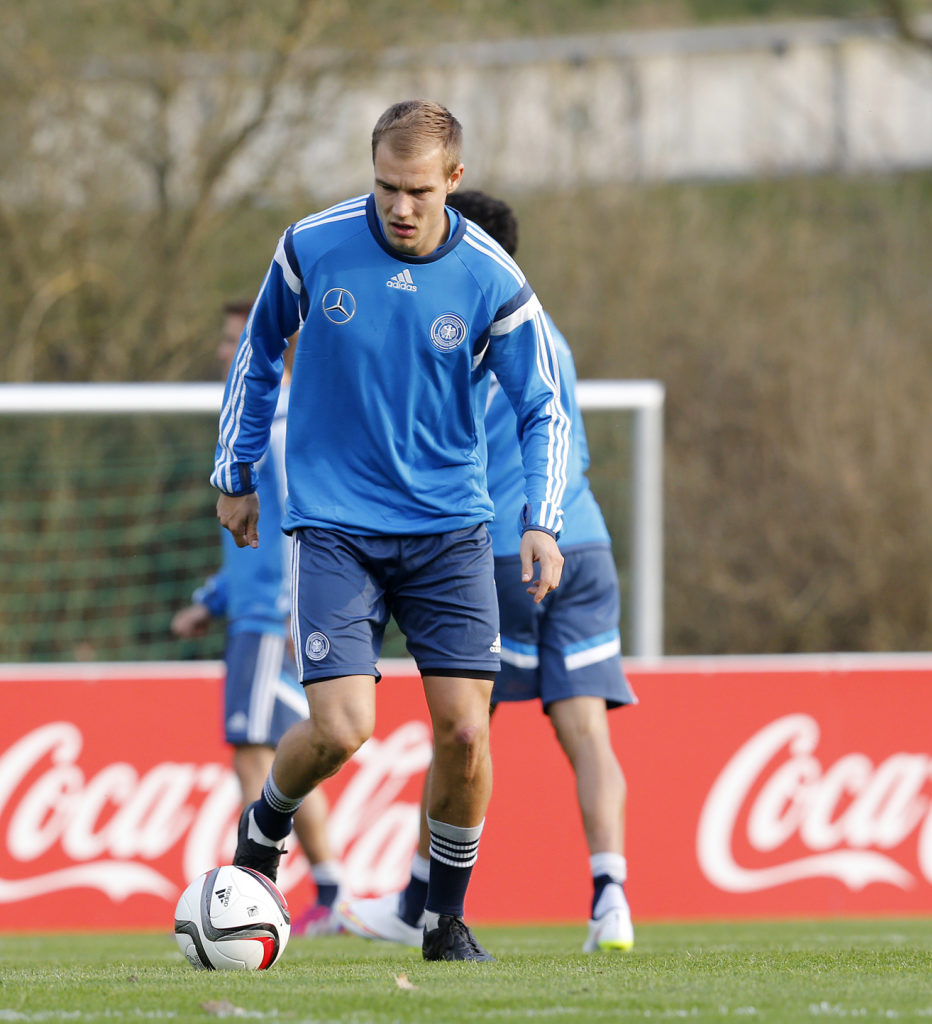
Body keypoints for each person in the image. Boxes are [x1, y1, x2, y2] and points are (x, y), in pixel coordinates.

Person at [211, 100, 570, 963]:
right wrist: (237, 472)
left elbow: (542, 407)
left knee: (466, 734)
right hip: (334, 524)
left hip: (448, 530)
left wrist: (542, 523)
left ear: (453, 180)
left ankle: (441, 920)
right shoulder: (312, 245)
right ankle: (265, 829)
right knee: (340, 730)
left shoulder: (492, 279)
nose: (398, 207)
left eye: (416, 190)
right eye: (383, 187)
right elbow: (258, 354)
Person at [337, 190, 637, 954]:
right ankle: (611, 899)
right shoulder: (552, 339)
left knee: (459, 735)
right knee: (588, 737)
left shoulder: (466, 330)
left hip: (498, 550)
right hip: (582, 541)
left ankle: (413, 902)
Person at [171, 300, 344, 935]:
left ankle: (254, 893)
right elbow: (255, 534)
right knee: (279, 759)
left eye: (232, 340)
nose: (223, 352)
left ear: (272, 345)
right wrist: (213, 600)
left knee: (255, 755)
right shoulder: (259, 415)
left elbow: (303, 519)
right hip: (255, 609)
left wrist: (303, 605)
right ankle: (329, 892)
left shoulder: (277, 417)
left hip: (272, 616)